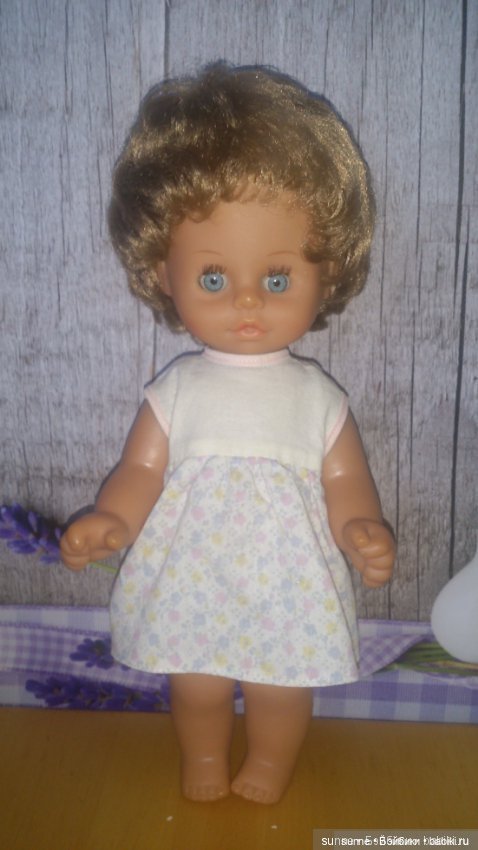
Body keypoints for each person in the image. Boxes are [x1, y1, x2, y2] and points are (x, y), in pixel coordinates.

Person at [61, 62, 395, 804]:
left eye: (277, 279)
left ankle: (270, 765)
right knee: (198, 681)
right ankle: (204, 759)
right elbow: (142, 470)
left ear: (326, 273)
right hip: (195, 574)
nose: (247, 301)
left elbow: (344, 476)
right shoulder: (178, 388)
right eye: (214, 278)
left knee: (281, 685)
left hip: (287, 579)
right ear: (164, 272)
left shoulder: (317, 396)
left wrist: (360, 527)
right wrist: (114, 517)